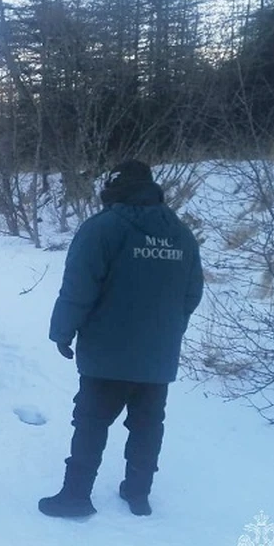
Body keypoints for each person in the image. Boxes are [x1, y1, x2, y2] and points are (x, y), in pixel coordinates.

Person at [39, 160, 204, 518]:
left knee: (91, 422)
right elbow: (192, 293)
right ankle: (138, 494)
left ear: (113, 190)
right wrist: (169, 328)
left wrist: (62, 331)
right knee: (147, 424)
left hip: (106, 353)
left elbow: (78, 289)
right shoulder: (180, 232)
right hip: (157, 355)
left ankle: (76, 495)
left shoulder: (102, 229)